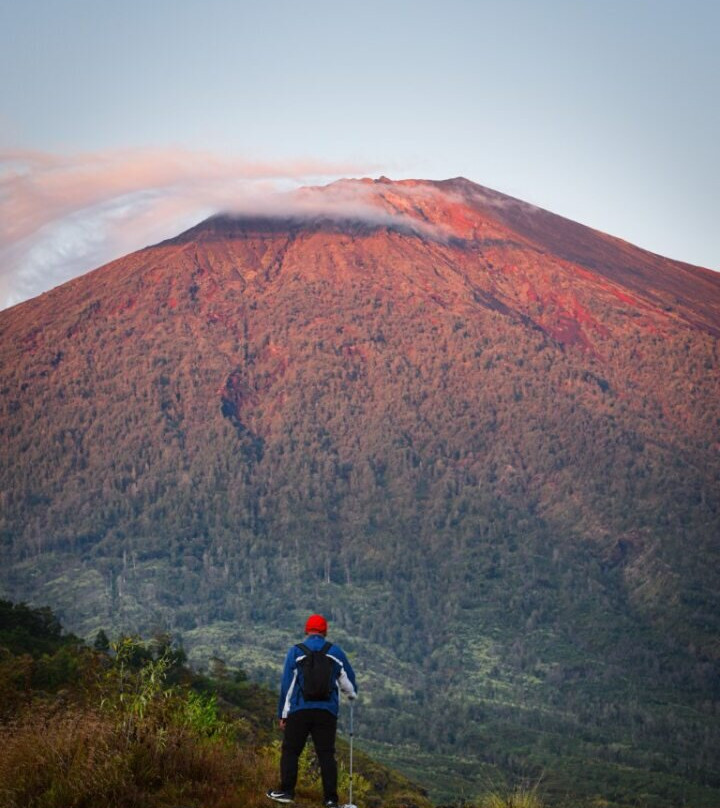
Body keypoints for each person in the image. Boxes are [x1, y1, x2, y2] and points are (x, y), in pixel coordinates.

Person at [267, 614, 357, 807]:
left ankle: (287, 792)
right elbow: (349, 685)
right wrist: (351, 695)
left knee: (291, 751)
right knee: (326, 754)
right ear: (325, 631)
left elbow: (287, 686)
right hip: (326, 712)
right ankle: (331, 800)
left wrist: (283, 714)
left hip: (300, 710)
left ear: (306, 630)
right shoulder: (335, 652)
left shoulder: (295, 652)